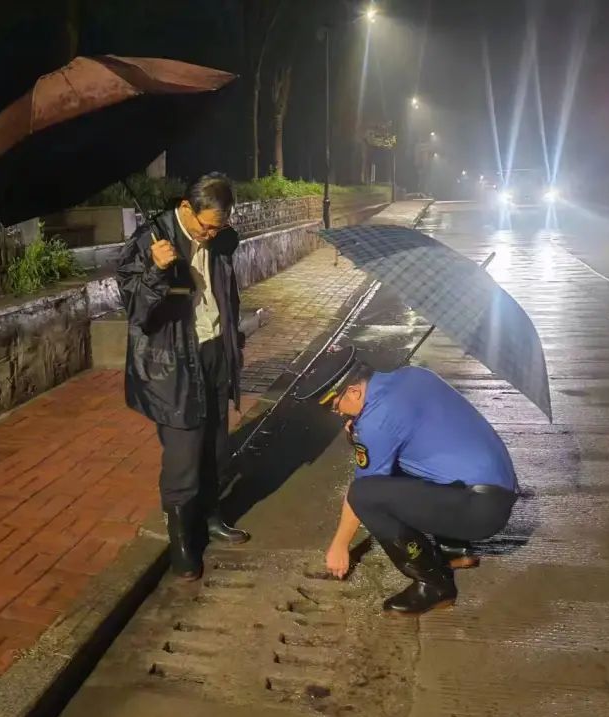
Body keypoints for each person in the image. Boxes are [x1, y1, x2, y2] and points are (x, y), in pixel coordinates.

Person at [300, 347, 518, 614]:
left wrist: (339, 546)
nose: (337, 413)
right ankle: (453, 548)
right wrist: (360, 432)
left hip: (480, 510)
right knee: (401, 462)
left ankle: (434, 585)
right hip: (496, 487)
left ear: (354, 391)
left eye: (336, 406)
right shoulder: (414, 375)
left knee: (364, 495)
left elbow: (364, 491)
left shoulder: (377, 421)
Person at [116, 173, 250, 580]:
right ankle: (181, 542)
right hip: (171, 363)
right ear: (186, 208)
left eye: (219, 227)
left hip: (213, 352)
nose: (210, 234)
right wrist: (157, 272)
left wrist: (233, 345)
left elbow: (226, 293)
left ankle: (210, 516)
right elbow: (136, 310)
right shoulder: (150, 241)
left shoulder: (218, 239)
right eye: (206, 225)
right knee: (182, 457)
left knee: (214, 445)